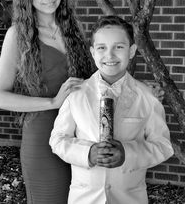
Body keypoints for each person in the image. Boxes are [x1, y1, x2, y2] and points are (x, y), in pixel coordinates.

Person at [0, 0, 94, 204]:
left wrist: (139, 90)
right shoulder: (18, 35)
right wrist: (53, 102)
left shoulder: (73, 28)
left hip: (80, 138)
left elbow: (91, 82)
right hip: (43, 141)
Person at [50, 15, 174, 204]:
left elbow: (163, 146)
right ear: (92, 52)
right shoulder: (76, 94)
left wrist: (128, 153)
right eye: (102, 48)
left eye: (119, 47)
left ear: (131, 51)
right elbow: (57, 140)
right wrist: (87, 153)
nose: (110, 55)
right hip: (84, 198)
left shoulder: (148, 97)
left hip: (129, 198)